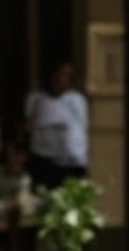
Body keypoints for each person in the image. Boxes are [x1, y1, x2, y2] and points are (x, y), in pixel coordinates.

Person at [23, 60, 88, 191]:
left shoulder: (76, 100)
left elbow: (83, 127)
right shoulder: (36, 99)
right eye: (61, 74)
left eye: (67, 76)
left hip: (70, 162)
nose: (62, 79)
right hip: (43, 160)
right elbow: (29, 125)